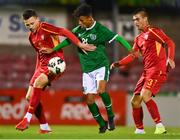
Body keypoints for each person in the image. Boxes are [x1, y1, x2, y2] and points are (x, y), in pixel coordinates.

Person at [41, 3, 132, 133]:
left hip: (101, 65)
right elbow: (68, 40)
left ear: (90, 18)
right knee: (89, 101)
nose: (80, 23)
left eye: (82, 20)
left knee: (101, 91)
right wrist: (53, 50)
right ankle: (101, 123)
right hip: (87, 70)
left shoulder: (101, 29)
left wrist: (131, 50)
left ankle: (111, 116)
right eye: (79, 21)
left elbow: (118, 38)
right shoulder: (78, 30)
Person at [15, 9, 96, 133]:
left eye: (32, 23)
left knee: (38, 83)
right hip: (41, 66)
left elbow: (64, 32)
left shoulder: (45, 27)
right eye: (27, 25)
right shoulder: (31, 37)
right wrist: (36, 70)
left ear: (37, 19)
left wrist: (79, 44)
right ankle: (44, 127)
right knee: (29, 97)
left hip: (55, 64)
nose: (30, 27)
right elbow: (39, 54)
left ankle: (27, 119)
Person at [111, 8, 175, 134]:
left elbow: (170, 42)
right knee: (135, 101)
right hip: (146, 72)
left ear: (145, 19)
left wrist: (170, 58)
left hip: (157, 70)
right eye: (134, 20)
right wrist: (119, 63)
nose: (135, 22)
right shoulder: (139, 38)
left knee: (145, 95)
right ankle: (140, 130)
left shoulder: (154, 31)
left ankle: (160, 126)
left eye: (137, 19)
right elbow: (134, 55)